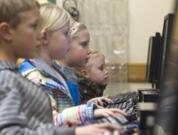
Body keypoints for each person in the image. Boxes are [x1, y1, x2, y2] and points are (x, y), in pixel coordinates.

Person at [0, 0, 123, 134]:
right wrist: (72, 132)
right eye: (34, 26)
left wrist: (62, 127)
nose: (40, 34)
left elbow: (32, 125)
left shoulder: (13, 75)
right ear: (6, 32)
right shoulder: (6, 78)